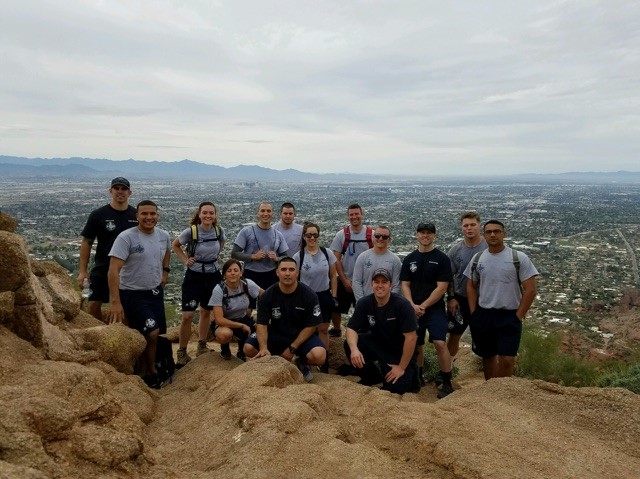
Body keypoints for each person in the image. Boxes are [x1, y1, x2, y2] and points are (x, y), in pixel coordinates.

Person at [107, 200, 172, 389]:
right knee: (152, 332)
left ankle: (153, 366)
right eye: (144, 214)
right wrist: (116, 301)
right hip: (132, 293)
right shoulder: (126, 238)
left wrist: (165, 272)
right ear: (137, 216)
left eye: (153, 214)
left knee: (159, 334)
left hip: (155, 292)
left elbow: (167, 252)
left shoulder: (163, 236)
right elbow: (113, 270)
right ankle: (150, 372)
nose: (149, 217)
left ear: (157, 216)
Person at [464, 220, 539, 380]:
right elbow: (470, 285)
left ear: (504, 234)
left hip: (509, 315)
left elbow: (531, 290)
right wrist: (474, 312)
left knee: (507, 359)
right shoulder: (478, 258)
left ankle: (501, 391)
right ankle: (490, 391)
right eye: (489, 231)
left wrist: (518, 316)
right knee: (487, 356)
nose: (493, 234)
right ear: (484, 235)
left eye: (497, 231)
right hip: (484, 314)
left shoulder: (518, 258)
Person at [244, 257, 326, 381]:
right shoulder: (267, 295)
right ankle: (271, 361)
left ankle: (302, 362)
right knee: (248, 349)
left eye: (291, 269)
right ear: (277, 272)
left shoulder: (309, 295)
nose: (287, 273)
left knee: (319, 356)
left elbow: (312, 325)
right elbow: (262, 323)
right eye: (283, 269)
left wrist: (292, 348)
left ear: (297, 273)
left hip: (301, 336)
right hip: (276, 333)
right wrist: (263, 347)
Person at [400, 222, 454, 399]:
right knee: (416, 343)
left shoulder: (442, 258)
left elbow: (442, 287)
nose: (426, 236)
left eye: (429, 233)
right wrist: (411, 305)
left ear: (434, 236)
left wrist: (423, 305)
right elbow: (405, 285)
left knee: (439, 342)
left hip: (434, 309)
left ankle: (447, 381)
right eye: (422, 232)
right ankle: (418, 376)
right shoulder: (409, 259)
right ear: (416, 235)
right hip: (413, 308)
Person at [344, 268, 418, 395]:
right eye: (376, 282)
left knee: (397, 388)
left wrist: (401, 367)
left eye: (384, 282)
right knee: (351, 344)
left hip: (399, 352)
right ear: (371, 285)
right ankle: (371, 376)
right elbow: (351, 328)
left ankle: (411, 375)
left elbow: (411, 338)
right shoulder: (364, 303)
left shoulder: (402, 305)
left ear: (391, 286)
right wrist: (354, 350)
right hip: (379, 345)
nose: (380, 285)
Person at [171, 201, 225, 368]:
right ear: (199, 214)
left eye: (211, 213)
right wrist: (186, 260)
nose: (208, 216)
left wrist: (216, 254)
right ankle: (182, 351)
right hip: (194, 275)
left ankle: (202, 344)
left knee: (206, 312)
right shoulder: (192, 231)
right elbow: (175, 245)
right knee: (187, 315)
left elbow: (221, 242)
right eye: (205, 213)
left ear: (215, 215)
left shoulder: (218, 230)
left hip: (213, 274)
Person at [78, 177, 138, 321]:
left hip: (128, 269)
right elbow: (87, 242)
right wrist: (82, 271)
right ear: (110, 191)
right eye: (116, 188)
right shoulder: (98, 215)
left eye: (123, 189)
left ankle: (123, 338)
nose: (120, 192)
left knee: (127, 308)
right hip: (103, 266)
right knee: (93, 306)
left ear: (130, 192)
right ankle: (101, 336)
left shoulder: (136, 215)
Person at [292, 222, 338, 372]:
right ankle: (304, 358)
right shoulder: (299, 256)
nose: (312, 238)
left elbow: (333, 276)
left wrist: (334, 296)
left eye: (315, 235)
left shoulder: (327, 253)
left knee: (323, 329)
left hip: (324, 294)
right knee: (307, 328)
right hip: (306, 296)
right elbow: (294, 279)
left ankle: (323, 362)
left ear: (318, 236)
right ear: (304, 237)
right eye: (308, 235)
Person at [446, 211, 487, 361]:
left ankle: (488, 375)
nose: (469, 228)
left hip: (484, 300)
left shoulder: (489, 247)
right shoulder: (455, 250)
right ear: (462, 228)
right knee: (454, 334)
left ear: (479, 226)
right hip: (460, 298)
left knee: (484, 334)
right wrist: (451, 298)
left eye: (472, 225)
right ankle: (446, 370)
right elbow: (449, 276)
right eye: (466, 225)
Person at [329, 203, 373, 337]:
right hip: (346, 278)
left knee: (364, 308)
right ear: (348, 216)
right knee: (335, 306)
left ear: (362, 214)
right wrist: (343, 279)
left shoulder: (372, 234)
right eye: (351, 214)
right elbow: (335, 259)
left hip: (365, 281)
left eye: (356, 214)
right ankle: (337, 329)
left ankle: (363, 331)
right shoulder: (341, 235)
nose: (354, 217)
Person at [209, 259, 263, 361]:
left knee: (260, 329)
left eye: (235, 270)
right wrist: (242, 325)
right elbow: (219, 320)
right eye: (229, 271)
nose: (233, 273)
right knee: (225, 334)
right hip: (224, 322)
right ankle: (225, 350)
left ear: (241, 272)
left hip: (242, 317)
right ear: (224, 274)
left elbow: (265, 295)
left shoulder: (247, 284)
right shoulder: (219, 289)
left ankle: (241, 351)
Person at [231, 202, 289, 291]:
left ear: (272, 214)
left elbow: (286, 257)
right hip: (251, 273)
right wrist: (253, 256)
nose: (265, 214)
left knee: (270, 303)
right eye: (262, 211)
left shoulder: (278, 235)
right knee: (250, 303)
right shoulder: (246, 232)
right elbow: (234, 253)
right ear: (258, 214)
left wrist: (276, 259)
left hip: (271, 274)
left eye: (268, 211)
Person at [352, 225, 402, 302]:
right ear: (373, 237)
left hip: (387, 305)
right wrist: (362, 302)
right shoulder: (362, 257)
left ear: (389, 240)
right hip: (366, 303)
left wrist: (389, 303)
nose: (380, 239)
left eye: (384, 237)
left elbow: (396, 286)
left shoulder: (395, 260)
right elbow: (356, 282)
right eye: (377, 236)